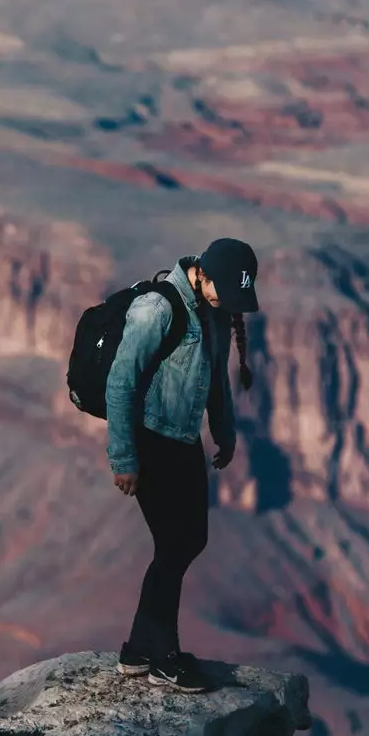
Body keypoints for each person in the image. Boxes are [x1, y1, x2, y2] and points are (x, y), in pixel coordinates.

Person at [105, 237, 259, 692]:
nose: (224, 303)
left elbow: (215, 381)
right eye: (221, 292)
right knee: (174, 545)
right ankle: (163, 658)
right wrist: (124, 457)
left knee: (190, 540)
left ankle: (138, 649)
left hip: (184, 442)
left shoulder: (212, 309)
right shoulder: (158, 309)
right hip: (151, 444)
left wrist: (225, 433)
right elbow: (121, 383)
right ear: (203, 275)